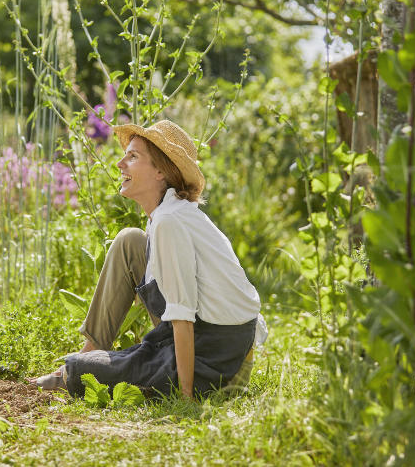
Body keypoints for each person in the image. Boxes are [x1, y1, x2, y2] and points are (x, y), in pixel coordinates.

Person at [31, 120, 267, 398]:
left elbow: (182, 314)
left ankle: (86, 366)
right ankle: (93, 350)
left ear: (160, 171)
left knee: (87, 371)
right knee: (129, 240)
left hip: (219, 359)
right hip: (206, 336)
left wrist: (185, 394)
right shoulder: (167, 213)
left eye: (133, 157)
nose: (120, 164)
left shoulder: (170, 221)